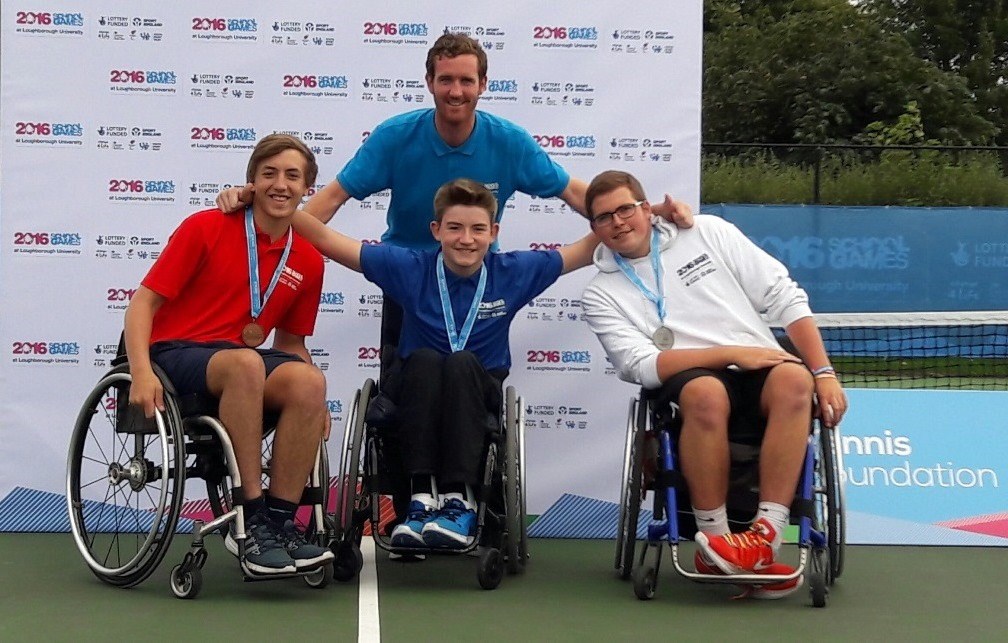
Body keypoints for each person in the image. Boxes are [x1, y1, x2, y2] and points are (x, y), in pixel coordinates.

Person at [216, 32, 692, 348]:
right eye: (446, 80)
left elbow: (574, 193)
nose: (456, 90)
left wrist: (632, 214)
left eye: (467, 80)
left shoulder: (509, 141)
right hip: (406, 278)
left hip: (476, 278)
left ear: (483, 84)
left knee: (474, 384)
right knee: (401, 395)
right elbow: (332, 197)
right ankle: (409, 495)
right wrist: (269, 220)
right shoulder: (396, 136)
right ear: (430, 83)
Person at [579, 170, 848, 599]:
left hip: (759, 367)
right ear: (594, 228)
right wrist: (728, 354)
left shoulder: (708, 231)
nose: (618, 221)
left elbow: (784, 296)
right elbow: (641, 364)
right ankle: (715, 542)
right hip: (690, 378)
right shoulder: (600, 292)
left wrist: (824, 373)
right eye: (603, 217)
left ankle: (762, 538)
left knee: (796, 380)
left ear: (647, 209)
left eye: (626, 209)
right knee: (707, 393)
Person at [290, 177, 598, 548]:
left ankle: (458, 500)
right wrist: (262, 201)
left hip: (477, 386)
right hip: (416, 386)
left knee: (460, 362)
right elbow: (322, 238)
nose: (466, 239)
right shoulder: (408, 266)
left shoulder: (514, 271)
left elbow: (587, 247)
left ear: (493, 232)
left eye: (477, 229)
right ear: (436, 230)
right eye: (454, 228)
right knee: (423, 360)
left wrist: (645, 215)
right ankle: (419, 500)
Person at [124, 134, 334, 576]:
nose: (281, 184)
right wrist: (141, 372)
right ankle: (250, 516)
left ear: (306, 188)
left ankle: (278, 524)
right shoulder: (205, 226)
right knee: (246, 362)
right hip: (177, 353)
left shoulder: (309, 260)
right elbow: (142, 304)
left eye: (292, 176)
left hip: (240, 360)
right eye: (269, 174)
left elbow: (291, 345)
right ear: (251, 182)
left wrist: (315, 406)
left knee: (308, 381)